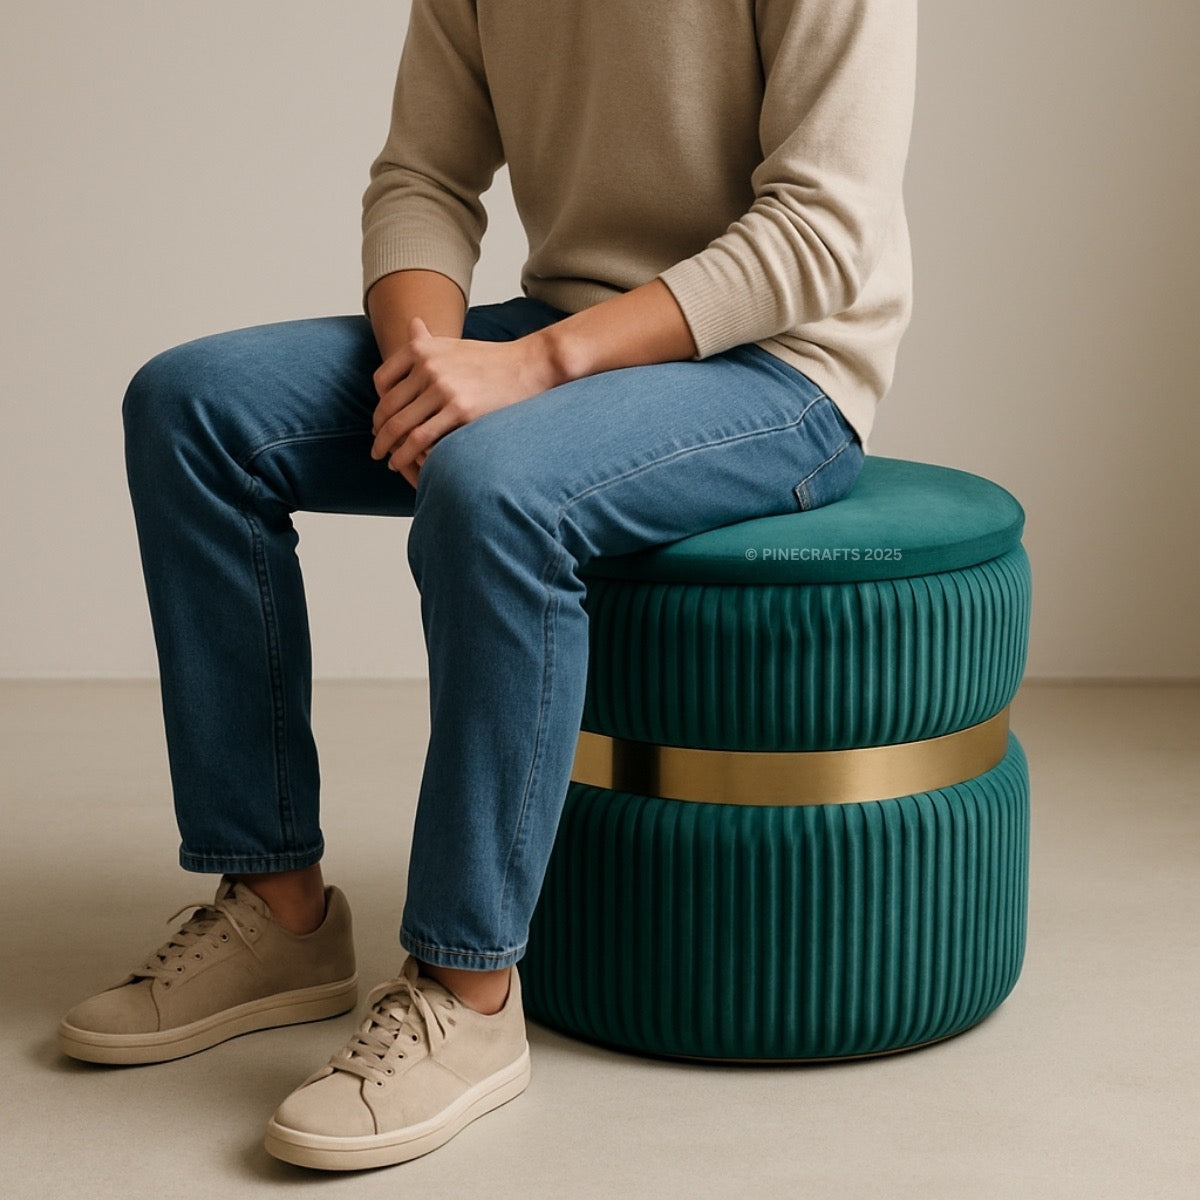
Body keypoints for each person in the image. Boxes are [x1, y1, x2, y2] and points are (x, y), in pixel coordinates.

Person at [58, 0, 917, 1172]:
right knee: (192, 409)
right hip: (568, 327)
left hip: (781, 368)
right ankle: (280, 908)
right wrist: (427, 368)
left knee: (494, 483)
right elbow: (424, 175)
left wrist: (531, 367)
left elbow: (824, 232)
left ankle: (468, 992)